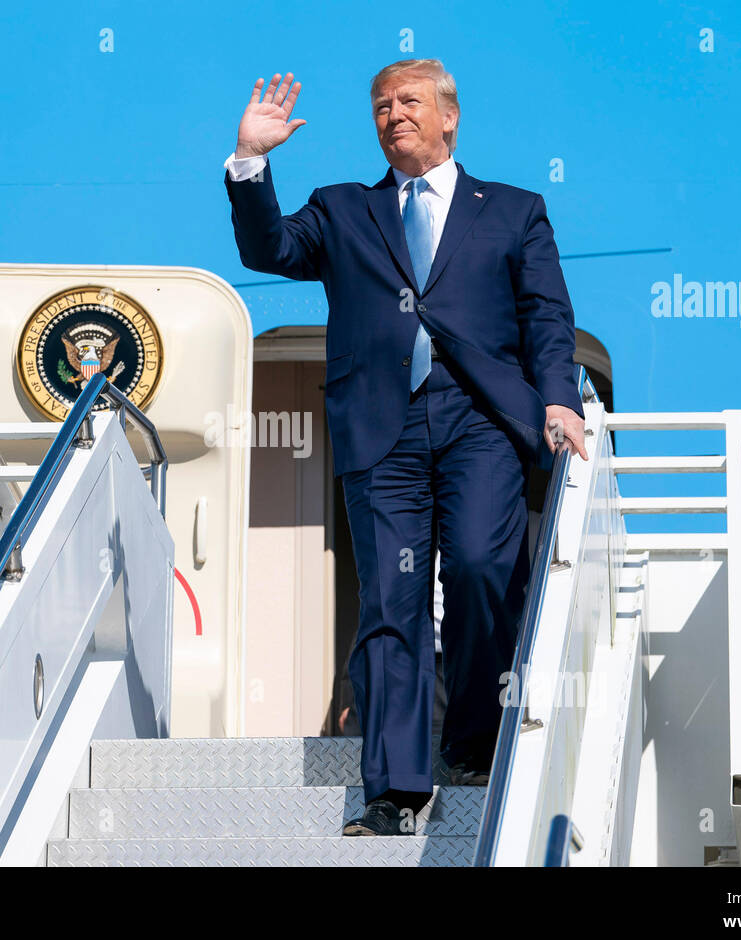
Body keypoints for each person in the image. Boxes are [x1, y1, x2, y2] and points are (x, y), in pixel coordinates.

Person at [224, 60, 587, 836]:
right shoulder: (343, 209)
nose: (394, 116)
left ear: (450, 117)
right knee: (393, 601)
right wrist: (252, 163)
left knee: (484, 569)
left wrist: (558, 396)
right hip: (380, 424)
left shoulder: (515, 211)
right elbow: (269, 251)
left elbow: (547, 316)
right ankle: (392, 791)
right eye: (382, 106)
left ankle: (471, 740)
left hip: (480, 418)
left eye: (410, 102)